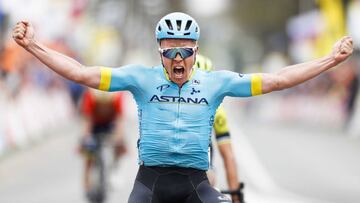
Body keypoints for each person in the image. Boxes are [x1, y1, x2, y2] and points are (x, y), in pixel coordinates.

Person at [12, 12, 353, 203]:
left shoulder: (216, 82)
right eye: (170, 50)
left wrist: (331, 59)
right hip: (149, 183)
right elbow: (82, 73)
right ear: (159, 51)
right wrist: (32, 45)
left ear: (196, 50)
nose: (178, 58)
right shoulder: (140, 78)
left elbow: (278, 79)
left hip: (196, 184)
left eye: (185, 50)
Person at [195, 54, 244, 203]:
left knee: (208, 178)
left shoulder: (217, 110)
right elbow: (228, 156)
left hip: (201, 166)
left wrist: (235, 195)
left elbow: (228, 156)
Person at [78, 88, 126, 202]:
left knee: (121, 145)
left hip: (110, 124)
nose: (104, 108)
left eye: (106, 105)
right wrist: (86, 137)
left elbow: (120, 120)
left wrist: (119, 138)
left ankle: (115, 168)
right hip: (94, 124)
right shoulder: (89, 96)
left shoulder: (117, 97)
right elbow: (87, 120)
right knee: (88, 153)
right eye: (101, 104)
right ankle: (87, 183)